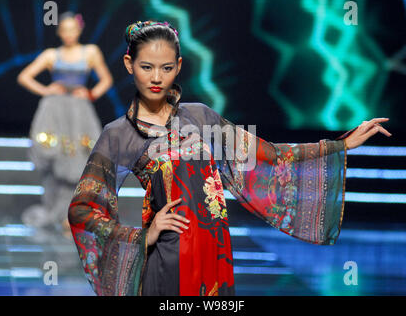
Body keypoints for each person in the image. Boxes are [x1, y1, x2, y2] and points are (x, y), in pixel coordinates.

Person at [67, 20, 392, 296]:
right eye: (146, 67)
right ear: (128, 64)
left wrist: (341, 145)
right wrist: (144, 235)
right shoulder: (118, 134)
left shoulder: (201, 117)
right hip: (167, 259)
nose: (156, 78)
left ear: (178, 66)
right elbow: (83, 208)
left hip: (215, 253)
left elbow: (270, 155)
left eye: (166, 68)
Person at [17, 12, 113, 236]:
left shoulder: (90, 51)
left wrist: (91, 93)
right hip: (55, 112)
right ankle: (58, 212)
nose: (69, 34)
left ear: (79, 30)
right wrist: (46, 90)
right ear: (59, 32)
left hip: (80, 113)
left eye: (73, 29)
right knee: (55, 158)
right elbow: (24, 76)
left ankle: (75, 215)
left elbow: (106, 79)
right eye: (65, 30)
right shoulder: (52, 54)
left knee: (80, 158)